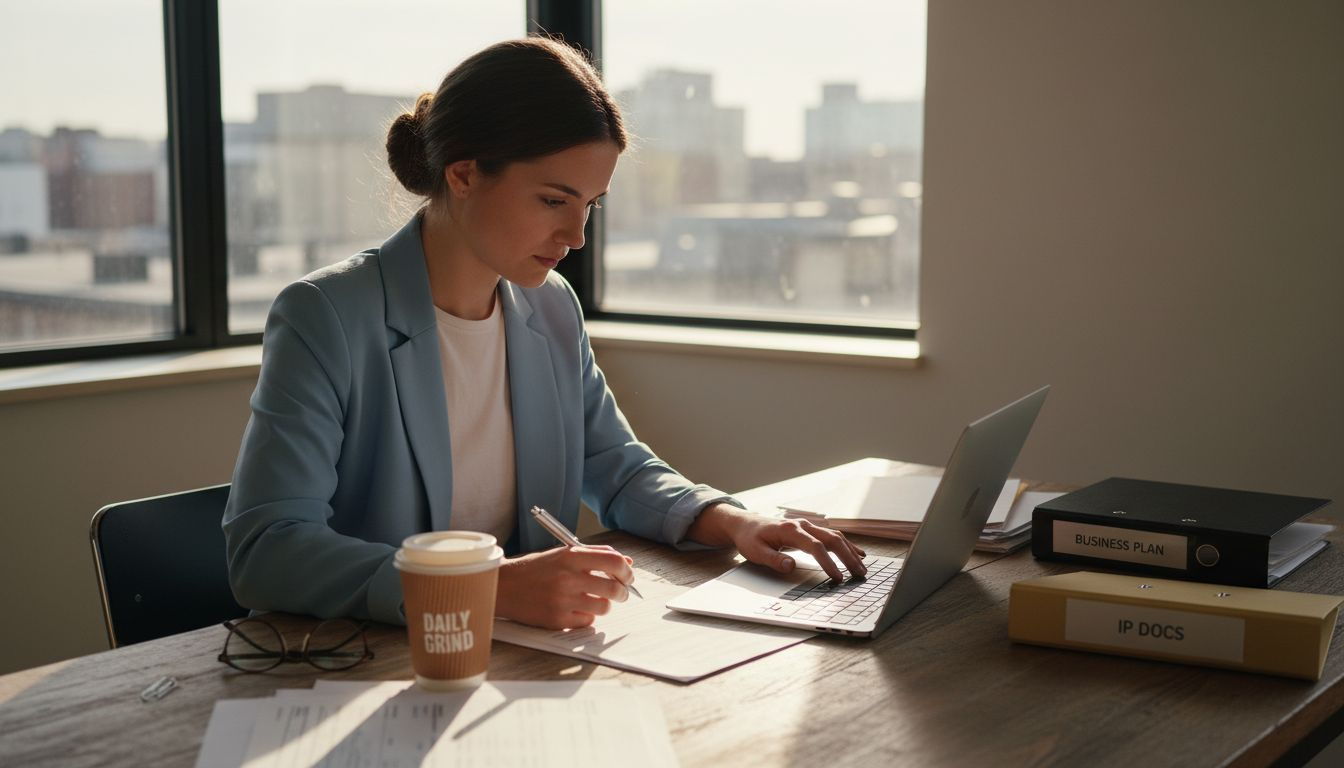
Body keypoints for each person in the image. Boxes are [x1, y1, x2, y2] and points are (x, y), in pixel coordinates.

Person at [222, 37, 866, 632]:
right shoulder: (325, 314)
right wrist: (482, 588)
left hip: (526, 654)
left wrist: (734, 520)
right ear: (465, 174)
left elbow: (612, 466)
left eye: (590, 205)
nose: (577, 236)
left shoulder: (550, 307)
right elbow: (268, 547)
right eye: (554, 201)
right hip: (381, 665)